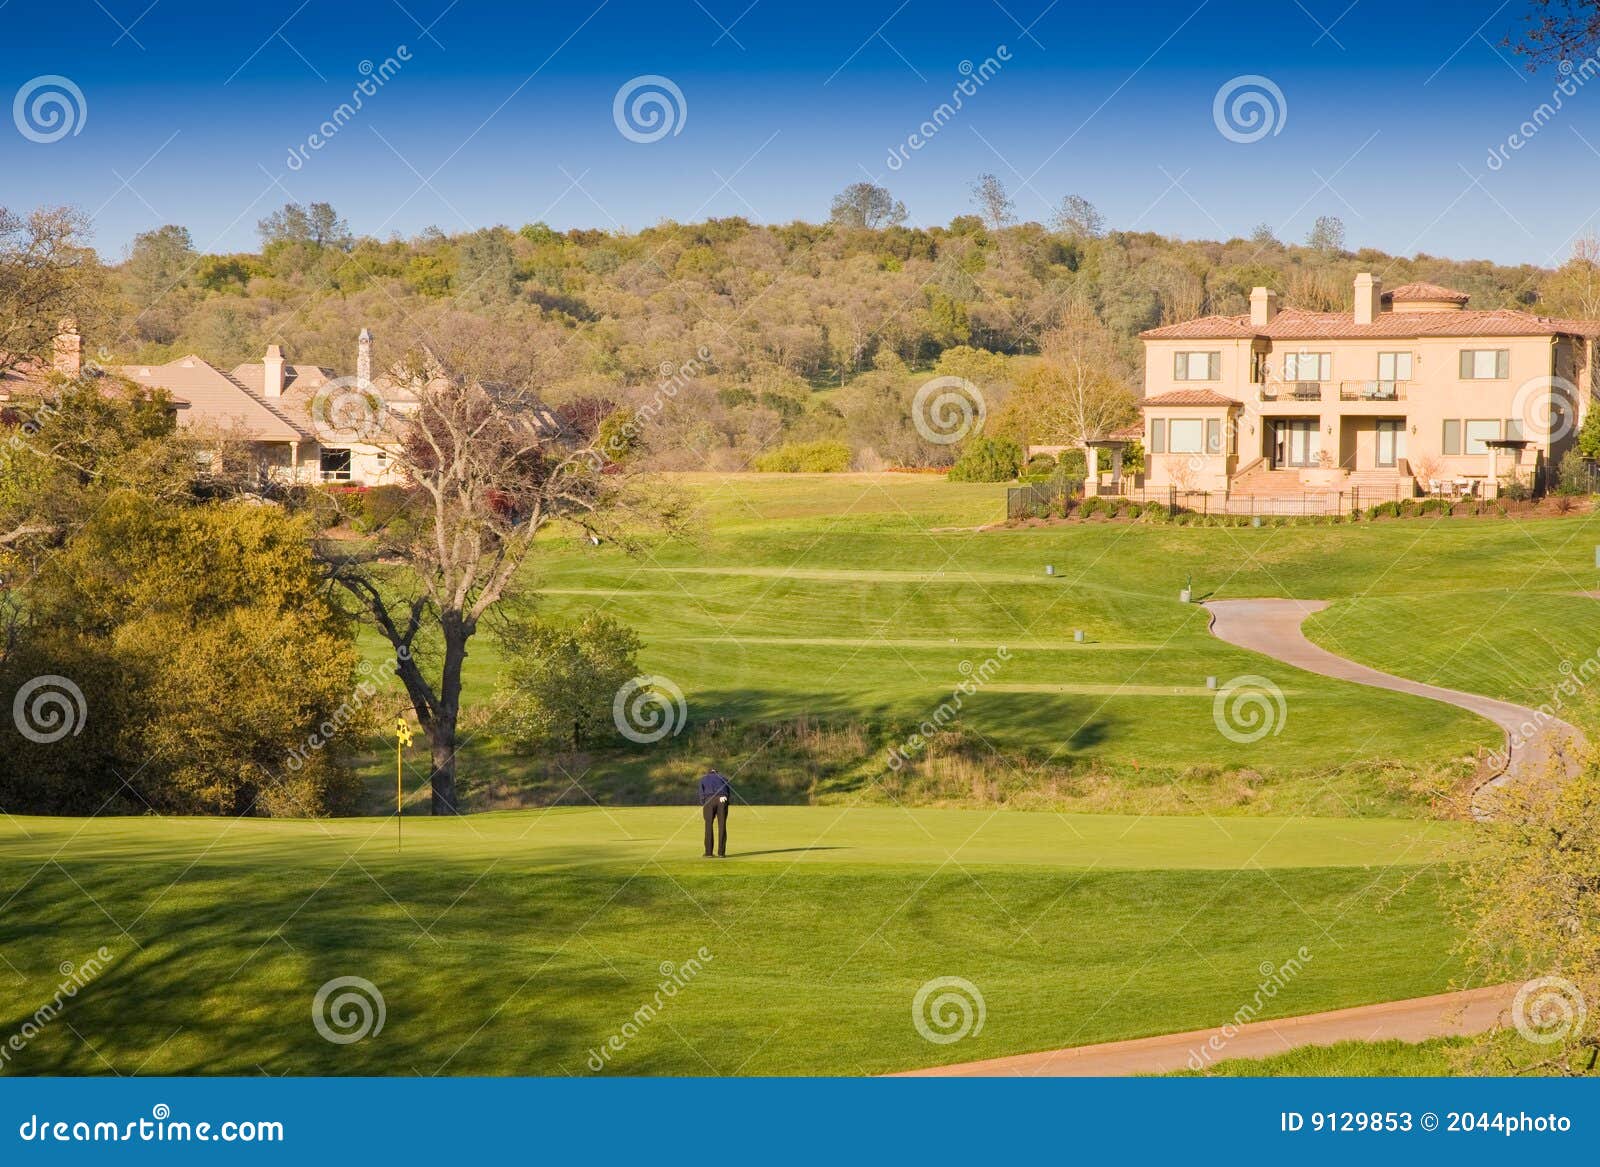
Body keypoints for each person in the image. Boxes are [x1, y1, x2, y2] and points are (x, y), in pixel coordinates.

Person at [699, 769, 731, 857]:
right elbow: (728, 792)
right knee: (722, 825)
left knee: (708, 825)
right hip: (722, 799)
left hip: (709, 800)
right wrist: (726, 803)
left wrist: (704, 803)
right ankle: (721, 853)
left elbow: (701, 793)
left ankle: (708, 853)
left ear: (708, 772)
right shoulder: (724, 778)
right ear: (717, 772)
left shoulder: (704, 778)